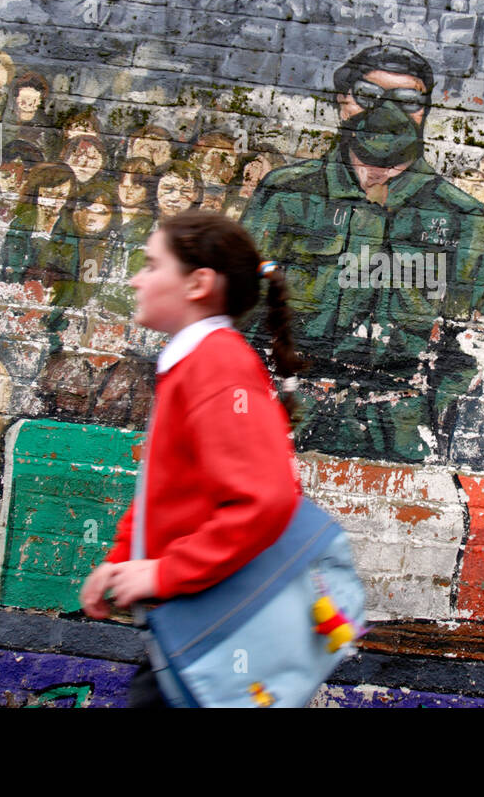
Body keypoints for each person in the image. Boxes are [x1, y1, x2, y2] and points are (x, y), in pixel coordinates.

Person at [78, 210, 306, 707]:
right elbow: (168, 490)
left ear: (198, 283)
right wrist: (121, 561)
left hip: (214, 632)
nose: (137, 279)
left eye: (152, 265)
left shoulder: (218, 365)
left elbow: (266, 499)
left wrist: (161, 573)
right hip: (192, 627)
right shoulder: (193, 362)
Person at [240, 42, 484, 463]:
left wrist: (425, 413)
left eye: (407, 101)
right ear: (342, 101)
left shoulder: (459, 216)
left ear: (424, 112)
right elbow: (237, 313)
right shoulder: (287, 194)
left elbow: (474, 341)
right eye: (368, 97)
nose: (386, 114)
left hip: (396, 435)